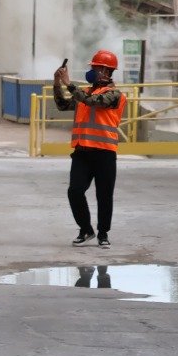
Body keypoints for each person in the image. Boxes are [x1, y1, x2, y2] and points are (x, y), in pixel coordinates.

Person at [54, 50, 126, 248]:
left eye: (95, 68)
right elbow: (62, 105)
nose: (91, 71)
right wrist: (57, 83)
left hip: (104, 152)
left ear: (105, 71)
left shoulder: (114, 95)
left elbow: (95, 102)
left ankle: (103, 233)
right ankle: (86, 229)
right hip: (82, 152)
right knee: (75, 191)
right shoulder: (84, 92)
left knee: (104, 195)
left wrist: (69, 83)